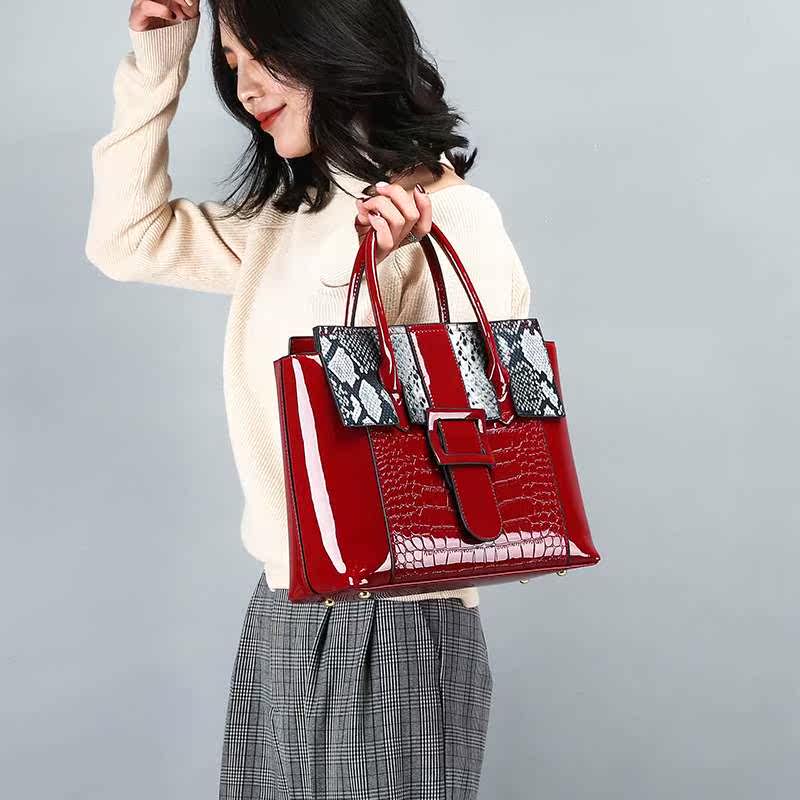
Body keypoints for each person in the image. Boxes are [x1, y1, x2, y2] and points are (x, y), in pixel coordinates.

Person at [85, 1, 532, 797]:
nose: (245, 87)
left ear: (335, 42)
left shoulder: (453, 217)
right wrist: (160, 59)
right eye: (231, 62)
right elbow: (126, 241)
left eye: (264, 57)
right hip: (285, 605)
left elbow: (488, 426)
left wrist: (371, 277)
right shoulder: (290, 221)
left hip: (398, 614)